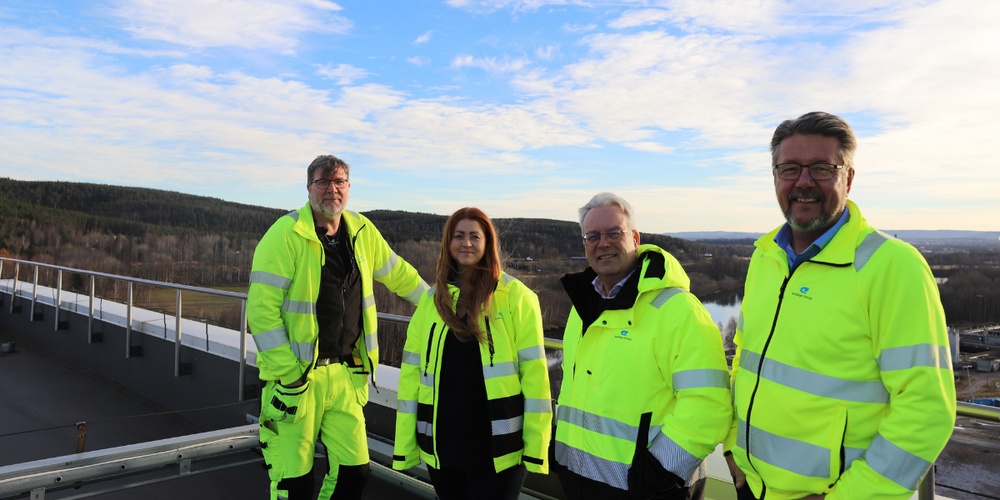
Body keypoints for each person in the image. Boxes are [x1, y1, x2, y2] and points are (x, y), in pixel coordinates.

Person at [724, 111, 956, 500]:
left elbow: (926, 409)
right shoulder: (765, 259)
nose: (803, 182)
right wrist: (733, 447)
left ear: (848, 178)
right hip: (752, 487)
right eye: (790, 169)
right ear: (775, 177)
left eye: (820, 168)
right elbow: (743, 363)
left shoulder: (890, 265)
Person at [248, 154, 429, 500]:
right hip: (298, 380)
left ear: (348, 188)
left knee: (354, 474)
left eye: (339, 182)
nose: (332, 189)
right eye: (323, 182)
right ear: (309, 188)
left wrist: (439, 304)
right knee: (293, 485)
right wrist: (290, 375)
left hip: (346, 376)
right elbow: (261, 313)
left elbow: (399, 275)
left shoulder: (361, 231)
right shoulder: (286, 234)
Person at [553, 192, 732, 500]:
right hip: (581, 480)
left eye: (614, 233)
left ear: (635, 237)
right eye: (592, 236)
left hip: (650, 489)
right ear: (585, 245)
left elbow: (709, 403)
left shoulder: (679, 311)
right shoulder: (581, 309)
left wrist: (658, 471)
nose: (603, 243)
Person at [393, 207, 552, 500]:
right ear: (448, 243)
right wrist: (406, 444)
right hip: (443, 446)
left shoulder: (517, 298)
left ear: (487, 242)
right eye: (458, 236)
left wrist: (536, 448)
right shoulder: (431, 302)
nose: (466, 243)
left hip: (498, 449)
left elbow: (535, 379)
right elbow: (411, 377)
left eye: (474, 236)